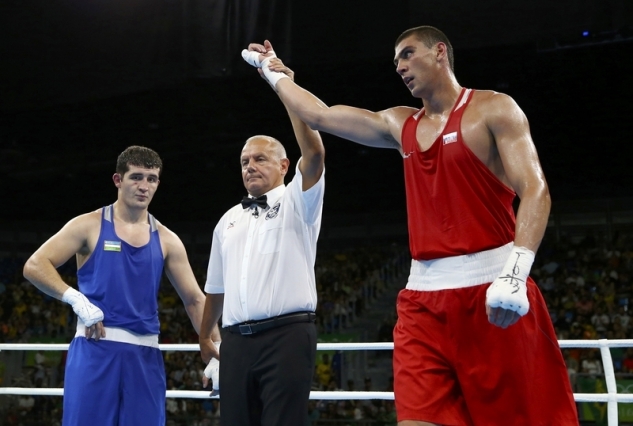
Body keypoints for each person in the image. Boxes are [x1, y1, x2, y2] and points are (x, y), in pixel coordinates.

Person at [243, 26, 578, 425]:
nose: (400, 67)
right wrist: (274, 72)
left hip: (492, 290)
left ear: (440, 52)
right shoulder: (399, 124)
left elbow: (535, 190)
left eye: (407, 54)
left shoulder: (494, 108)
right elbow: (320, 115)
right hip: (422, 301)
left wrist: (516, 272)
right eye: (396, 61)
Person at [22, 145, 220, 426]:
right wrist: (77, 299)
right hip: (95, 349)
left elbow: (195, 300)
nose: (144, 186)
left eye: (151, 179)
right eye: (136, 177)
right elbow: (35, 265)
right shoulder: (88, 225)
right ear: (118, 180)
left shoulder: (167, 239)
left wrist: (219, 351)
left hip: (145, 355)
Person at [197, 63, 326, 426]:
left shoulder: (299, 202)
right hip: (236, 343)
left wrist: (283, 84)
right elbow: (216, 286)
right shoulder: (228, 220)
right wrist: (206, 333)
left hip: (287, 336)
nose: (249, 166)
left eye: (259, 159)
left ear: (284, 165)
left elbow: (314, 154)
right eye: (243, 162)